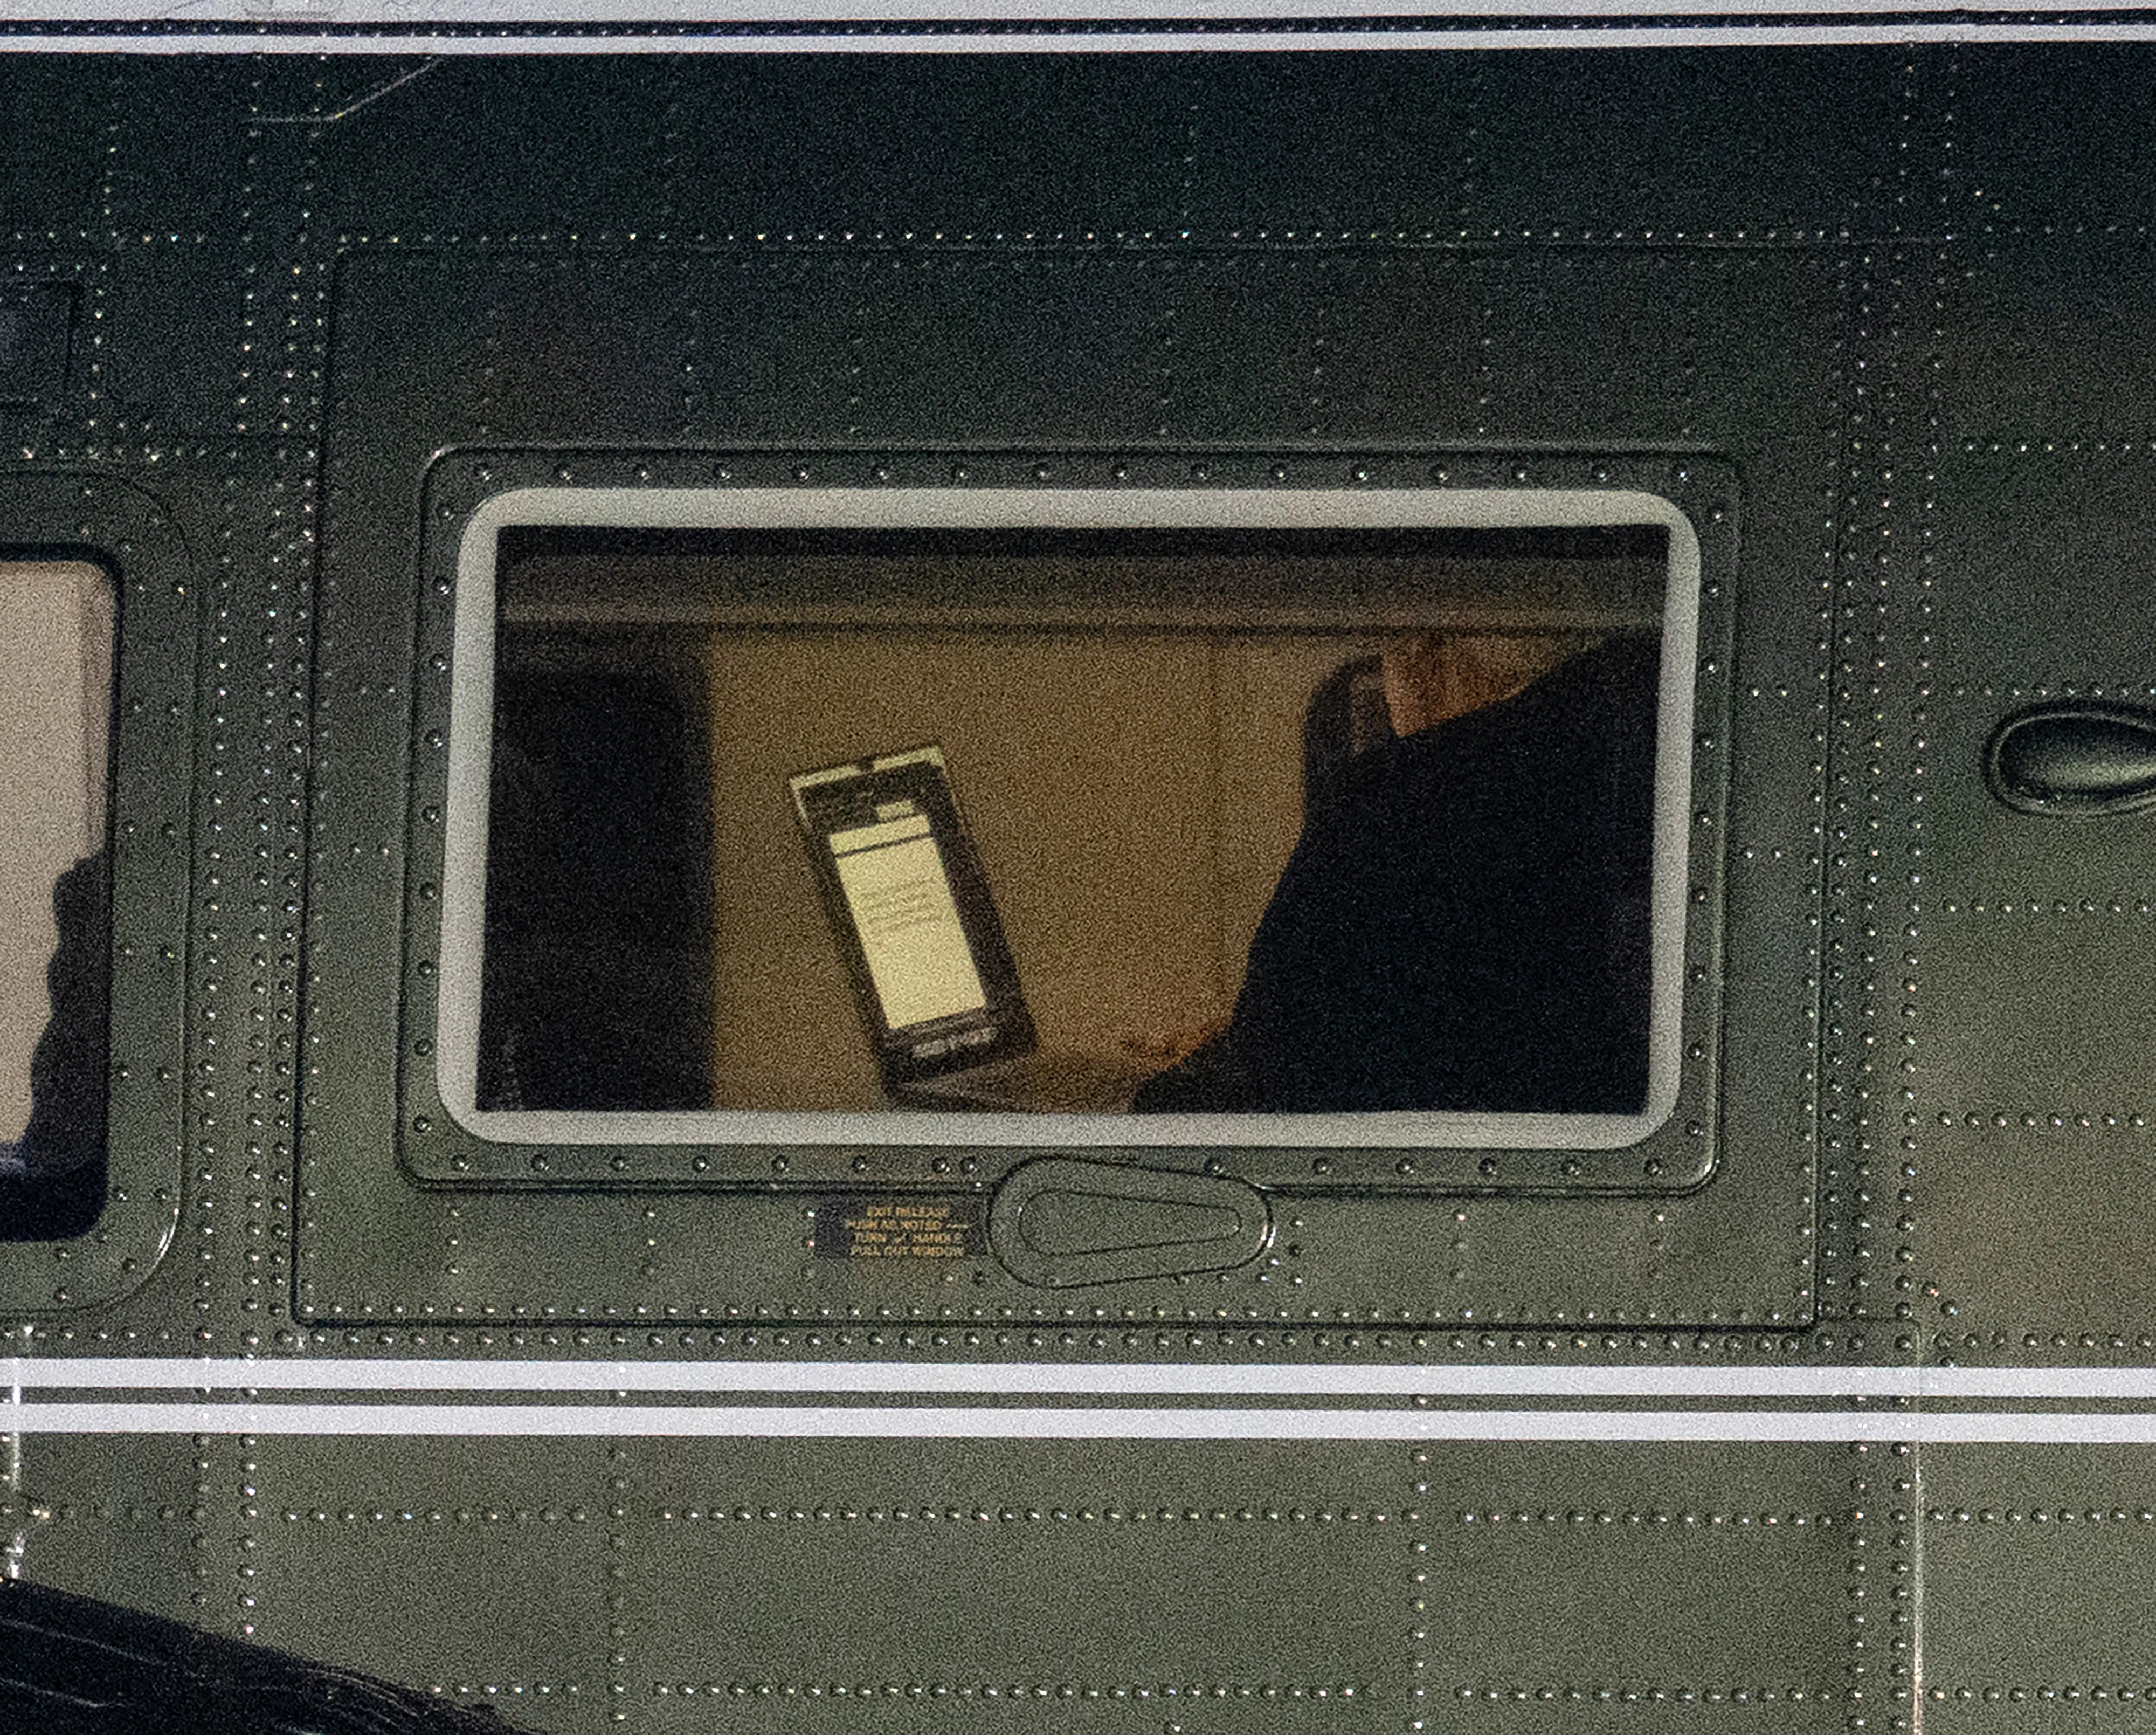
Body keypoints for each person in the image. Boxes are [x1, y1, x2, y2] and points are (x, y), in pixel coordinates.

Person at [1132, 630, 1659, 1114]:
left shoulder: (1385, 811)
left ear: (1426, 657)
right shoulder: (1640, 725)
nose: (1388, 697)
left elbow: (1285, 1070)